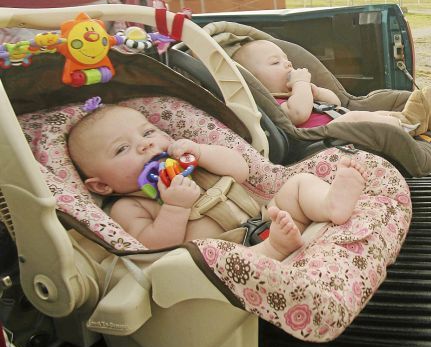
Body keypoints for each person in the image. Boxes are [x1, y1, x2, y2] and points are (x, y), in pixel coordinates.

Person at [68, 102, 367, 257]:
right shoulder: (130, 206)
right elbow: (152, 248)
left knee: (298, 183)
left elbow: (241, 171)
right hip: (228, 252)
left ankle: (329, 204)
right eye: (122, 149)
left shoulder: (192, 164)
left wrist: (201, 152)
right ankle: (276, 249)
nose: (145, 145)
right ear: (101, 186)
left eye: (148, 133)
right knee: (208, 259)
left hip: (265, 215)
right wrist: (174, 207)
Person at [233, 39, 431, 136]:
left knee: (375, 113)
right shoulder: (273, 102)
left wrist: (315, 91)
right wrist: (301, 84)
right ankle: (407, 126)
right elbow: (298, 114)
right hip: (324, 138)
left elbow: (334, 102)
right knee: (355, 118)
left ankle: (417, 119)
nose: (287, 64)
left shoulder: (298, 91)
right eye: (275, 62)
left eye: (286, 60)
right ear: (254, 80)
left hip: (339, 118)